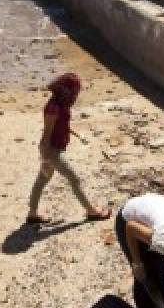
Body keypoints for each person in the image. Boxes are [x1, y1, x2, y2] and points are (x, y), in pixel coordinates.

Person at [26, 73, 110, 225]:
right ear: (65, 91)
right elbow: (46, 134)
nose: (75, 95)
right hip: (52, 151)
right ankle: (92, 211)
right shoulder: (53, 108)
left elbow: (64, 125)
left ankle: (32, 214)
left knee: (42, 180)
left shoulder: (61, 105)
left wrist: (78, 135)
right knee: (74, 179)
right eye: (74, 92)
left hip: (54, 150)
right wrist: (44, 158)